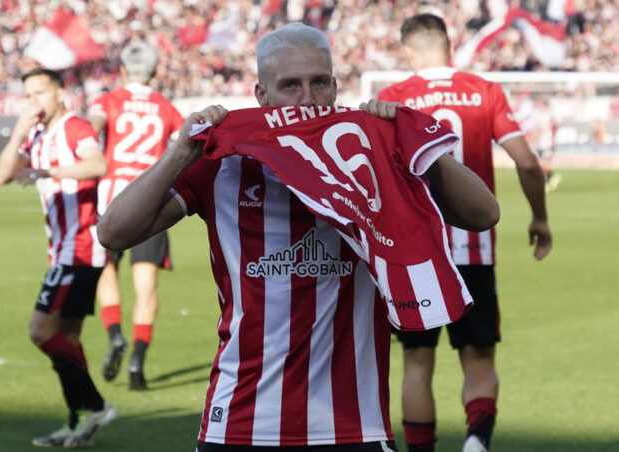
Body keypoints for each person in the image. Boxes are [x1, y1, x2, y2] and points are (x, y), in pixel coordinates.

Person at [97, 22, 499, 451]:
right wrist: (180, 152)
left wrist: (409, 142)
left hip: (354, 425)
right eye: (290, 86)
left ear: (336, 87)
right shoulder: (224, 163)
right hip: (240, 421)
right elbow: (114, 231)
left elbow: (483, 213)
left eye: (319, 83)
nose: (307, 100)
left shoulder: (370, 151)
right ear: (261, 96)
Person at [377, 13, 552, 452]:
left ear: (407, 50)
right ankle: (475, 442)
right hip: (472, 249)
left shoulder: (394, 97)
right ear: (449, 47)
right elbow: (527, 162)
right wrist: (539, 218)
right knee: (478, 358)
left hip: (415, 254)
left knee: (417, 361)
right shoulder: (484, 90)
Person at [0, 67, 116, 448]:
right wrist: (18, 131)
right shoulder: (37, 134)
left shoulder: (75, 127)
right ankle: (76, 422)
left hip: (79, 248)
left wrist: (48, 170)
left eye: (40, 93)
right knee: (68, 340)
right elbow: (2, 175)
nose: (34, 102)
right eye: (28, 96)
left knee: (40, 331)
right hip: (63, 248)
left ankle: (97, 406)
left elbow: (97, 165)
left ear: (60, 94)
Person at [87, 41, 185, 390]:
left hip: (110, 203)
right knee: (146, 286)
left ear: (123, 72)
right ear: (155, 72)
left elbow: (92, 127)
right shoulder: (166, 107)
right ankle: (138, 365)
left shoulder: (108, 101)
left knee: (105, 272)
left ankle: (115, 336)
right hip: (150, 204)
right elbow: (185, 146)